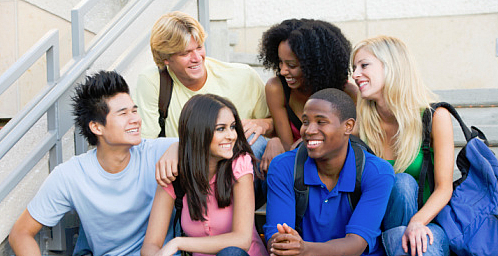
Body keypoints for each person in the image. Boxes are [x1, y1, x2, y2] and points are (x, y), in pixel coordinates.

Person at [8, 71, 178, 256]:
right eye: (123, 114)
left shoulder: (159, 152)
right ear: (96, 127)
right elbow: (20, 233)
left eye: (134, 111)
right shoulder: (71, 175)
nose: (135, 119)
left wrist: (179, 146)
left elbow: (211, 140)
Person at [351, 36, 453, 256]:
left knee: (403, 184)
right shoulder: (360, 125)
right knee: (399, 183)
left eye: (364, 65)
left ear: (392, 66)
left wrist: (417, 222)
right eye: (354, 67)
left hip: (427, 223)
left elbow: (445, 187)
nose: (355, 74)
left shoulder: (435, 117)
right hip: (377, 229)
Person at [264, 88, 394, 256]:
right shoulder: (284, 166)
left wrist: (304, 249)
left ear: (348, 126)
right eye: (305, 122)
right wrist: (283, 245)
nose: (309, 130)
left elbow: (356, 244)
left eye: (321, 122)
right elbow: (276, 239)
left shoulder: (377, 172)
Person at [141, 94, 268, 256]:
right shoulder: (175, 175)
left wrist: (179, 243)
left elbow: (242, 240)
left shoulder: (239, 164)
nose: (231, 135)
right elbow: (150, 245)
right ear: (199, 132)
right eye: (221, 129)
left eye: (233, 126)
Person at [134, 11, 271, 152]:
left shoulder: (244, 76)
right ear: (166, 58)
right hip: (187, 163)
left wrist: (265, 125)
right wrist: (173, 149)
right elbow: (146, 143)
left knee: (256, 143)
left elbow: (278, 125)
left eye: (199, 47)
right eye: (185, 53)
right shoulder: (152, 80)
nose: (197, 58)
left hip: (236, 162)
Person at [258, 18, 358, 171]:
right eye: (280, 62)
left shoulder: (347, 93)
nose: (283, 71)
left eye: (292, 65)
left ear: (315, 65)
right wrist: (274, 141)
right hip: (296, 167)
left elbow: (352, 144)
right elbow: (287, 149)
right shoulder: (276, 88)